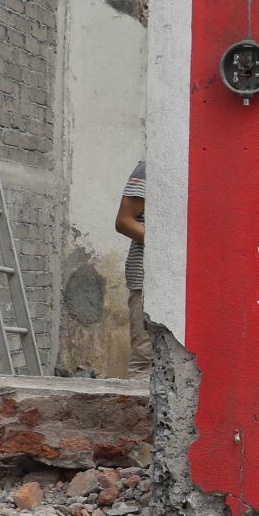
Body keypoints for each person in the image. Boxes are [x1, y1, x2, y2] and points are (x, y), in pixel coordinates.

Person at [116, 159, 150, 376]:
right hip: (147, 278)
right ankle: (144, 411)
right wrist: (169, 248)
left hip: (190, 281)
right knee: (145, 360)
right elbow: (124, 221)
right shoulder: (150, 166)